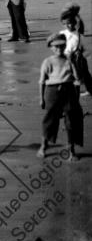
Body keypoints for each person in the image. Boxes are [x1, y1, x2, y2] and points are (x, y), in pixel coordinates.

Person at [38, 33, 82, 161]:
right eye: (56, 47)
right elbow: (41, 81)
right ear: (51, 48)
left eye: (62, 46)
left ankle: (71, 150)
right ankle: (43, 146)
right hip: (52, 91)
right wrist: (41, 98)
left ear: (65, 46)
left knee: (71, 121)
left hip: (68, 91)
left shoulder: (69, 60)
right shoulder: (47, 62)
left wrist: (77, 96)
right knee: (49, 120)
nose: (59, 49)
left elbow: (77, 79)